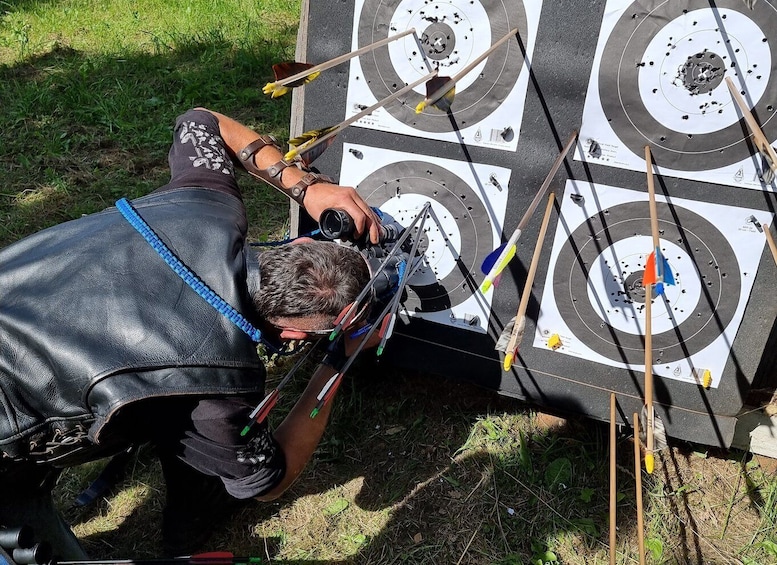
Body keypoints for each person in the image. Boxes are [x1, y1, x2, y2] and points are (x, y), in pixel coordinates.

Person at [0, 108, 384, 558]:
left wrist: (305, 186)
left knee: (176, 417)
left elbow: (200, 120)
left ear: (299, 245)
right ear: (298, 336)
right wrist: (337, 363)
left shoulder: (207, 202)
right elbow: (268, 482)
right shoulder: (215, 393)